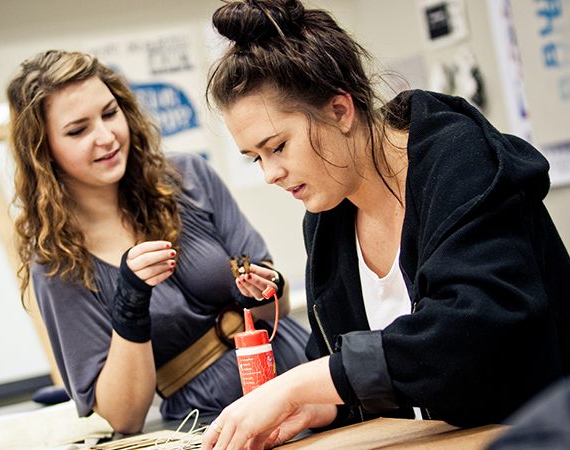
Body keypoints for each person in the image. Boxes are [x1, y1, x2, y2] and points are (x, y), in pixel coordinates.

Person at [201, 0, 570, 449]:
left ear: (340, 110)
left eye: (277, 146)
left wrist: (297, 385)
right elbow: (350, 370)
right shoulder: (326, 220)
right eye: (255, 158)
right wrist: (320, 406)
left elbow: (470, 338)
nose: (269, 173)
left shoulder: (459, 163)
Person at [5, 49, 310, 435]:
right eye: (78, 130)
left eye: (110, 113)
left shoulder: (189, 177)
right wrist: (130, 304)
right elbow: (123, 418)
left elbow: (274, 309)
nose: (106, 136)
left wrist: (264, 291)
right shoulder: (56, 260)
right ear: (43, 150)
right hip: (210, 420)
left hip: (298, 373)